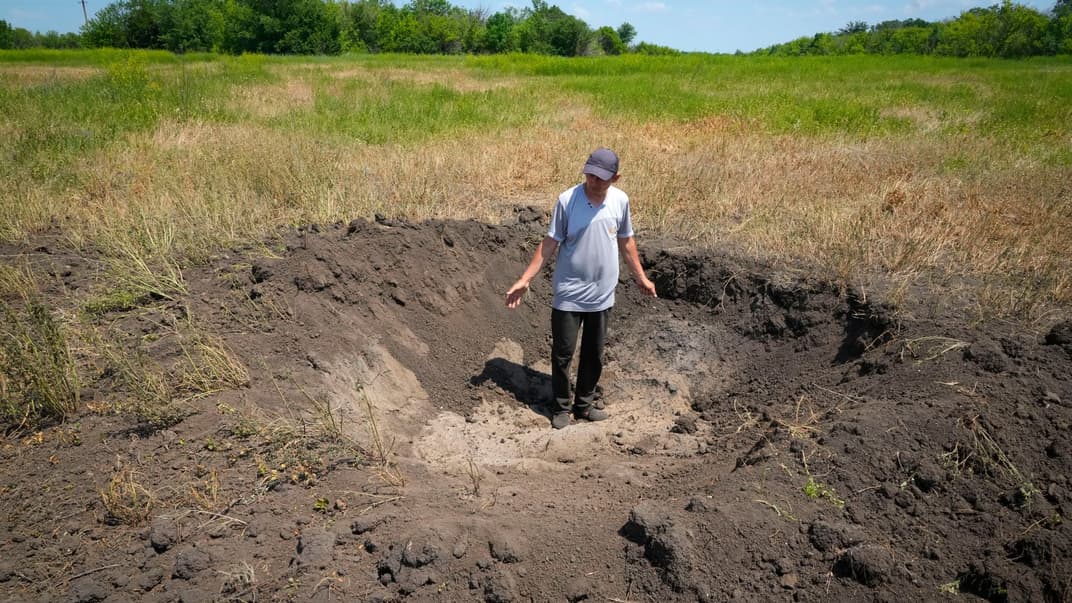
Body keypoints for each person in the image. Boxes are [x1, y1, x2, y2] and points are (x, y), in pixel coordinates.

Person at [505, 148, 658, 429]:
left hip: (602, 294)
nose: (593, 181)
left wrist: (641, 277)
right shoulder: (568, 200)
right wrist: (525, 279)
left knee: (594, 353)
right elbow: (550, 242)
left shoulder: (620, 201)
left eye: (601, 177)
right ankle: (561, 406)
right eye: (590, 175)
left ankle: (584, 404)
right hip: (569, 293)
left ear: (615, 178)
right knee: (563, 352)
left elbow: (626, 242)